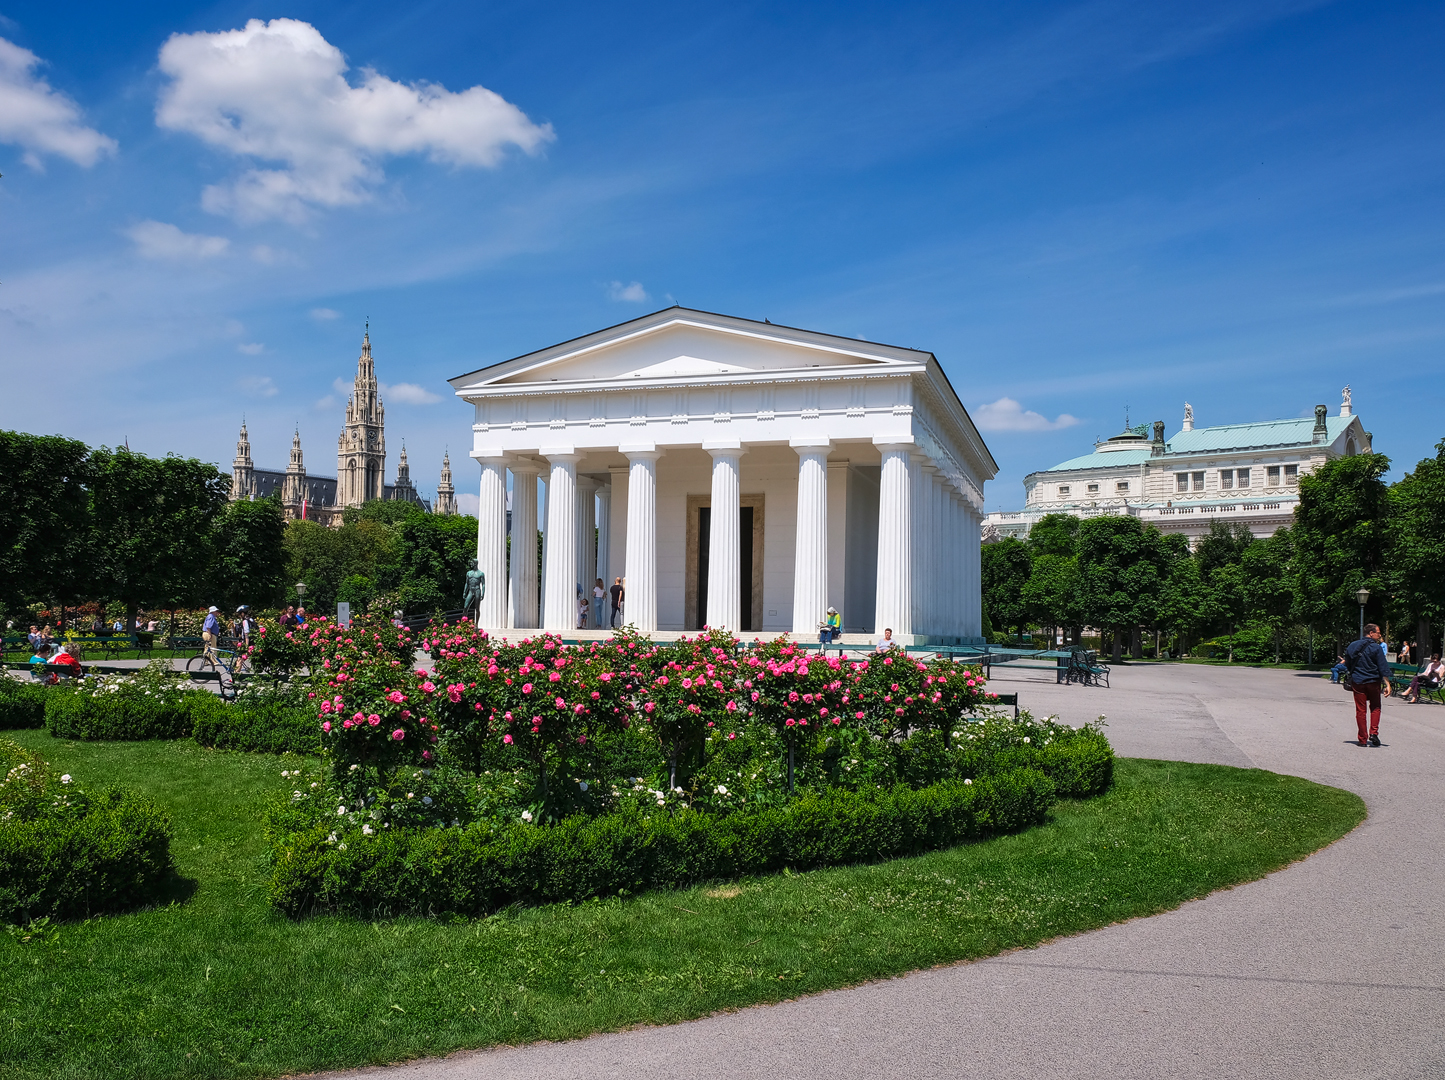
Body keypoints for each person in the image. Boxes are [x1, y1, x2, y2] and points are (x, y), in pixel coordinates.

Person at [1343, 622, 1392, 747]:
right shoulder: (1376, 648)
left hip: (1358, 682)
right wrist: (1387, 684)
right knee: (1375, 707)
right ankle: (1373, 733)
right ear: (1371, 633)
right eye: (1378, 633)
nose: (1380, 636)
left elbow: (1347, 663)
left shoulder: (1352, 645)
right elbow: (1382, 666)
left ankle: (1362, 739)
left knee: (1361, 710)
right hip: (1373, 682)